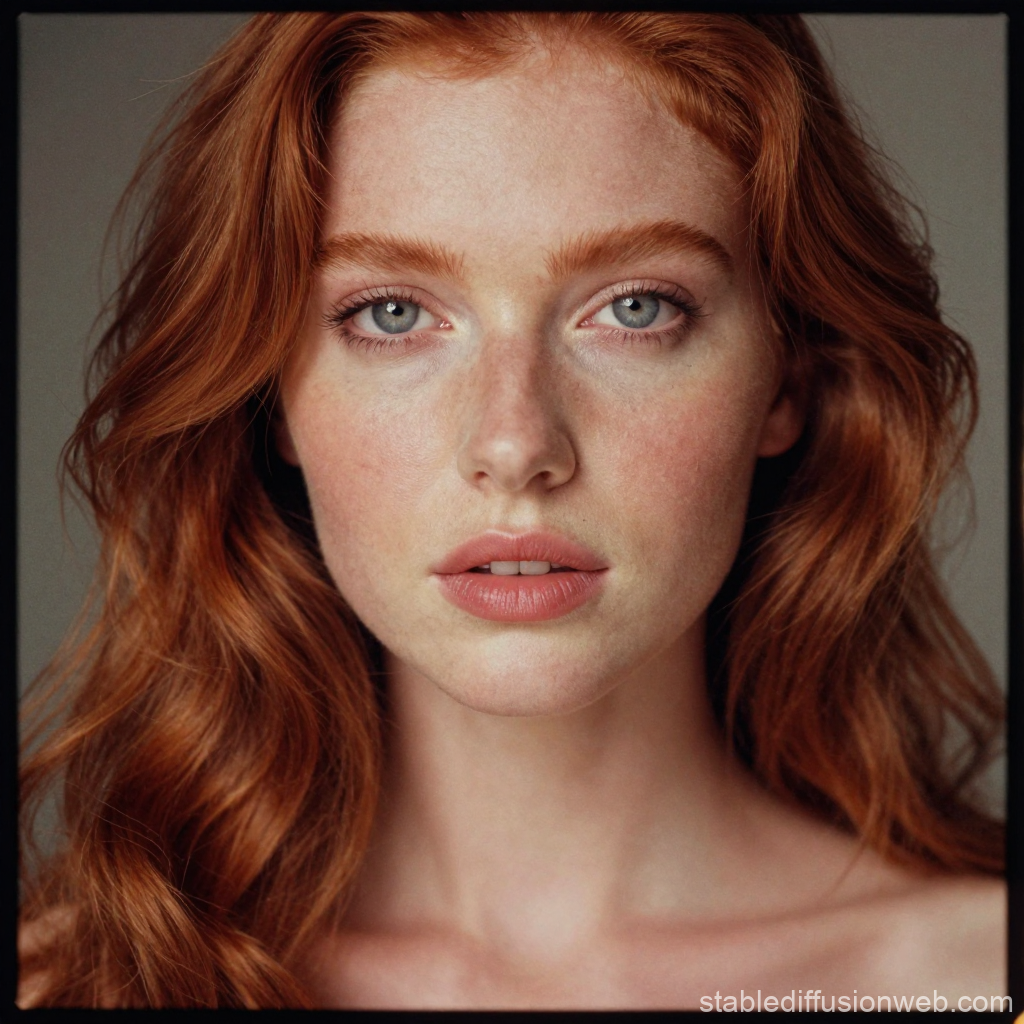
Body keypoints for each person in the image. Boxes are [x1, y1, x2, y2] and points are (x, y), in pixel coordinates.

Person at [18, 12, 1005, 1009]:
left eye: (635, 307)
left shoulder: (973, 982)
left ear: (783, 379)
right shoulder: (80, 987)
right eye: (392, 314)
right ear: (269, 392)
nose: (515, 445)